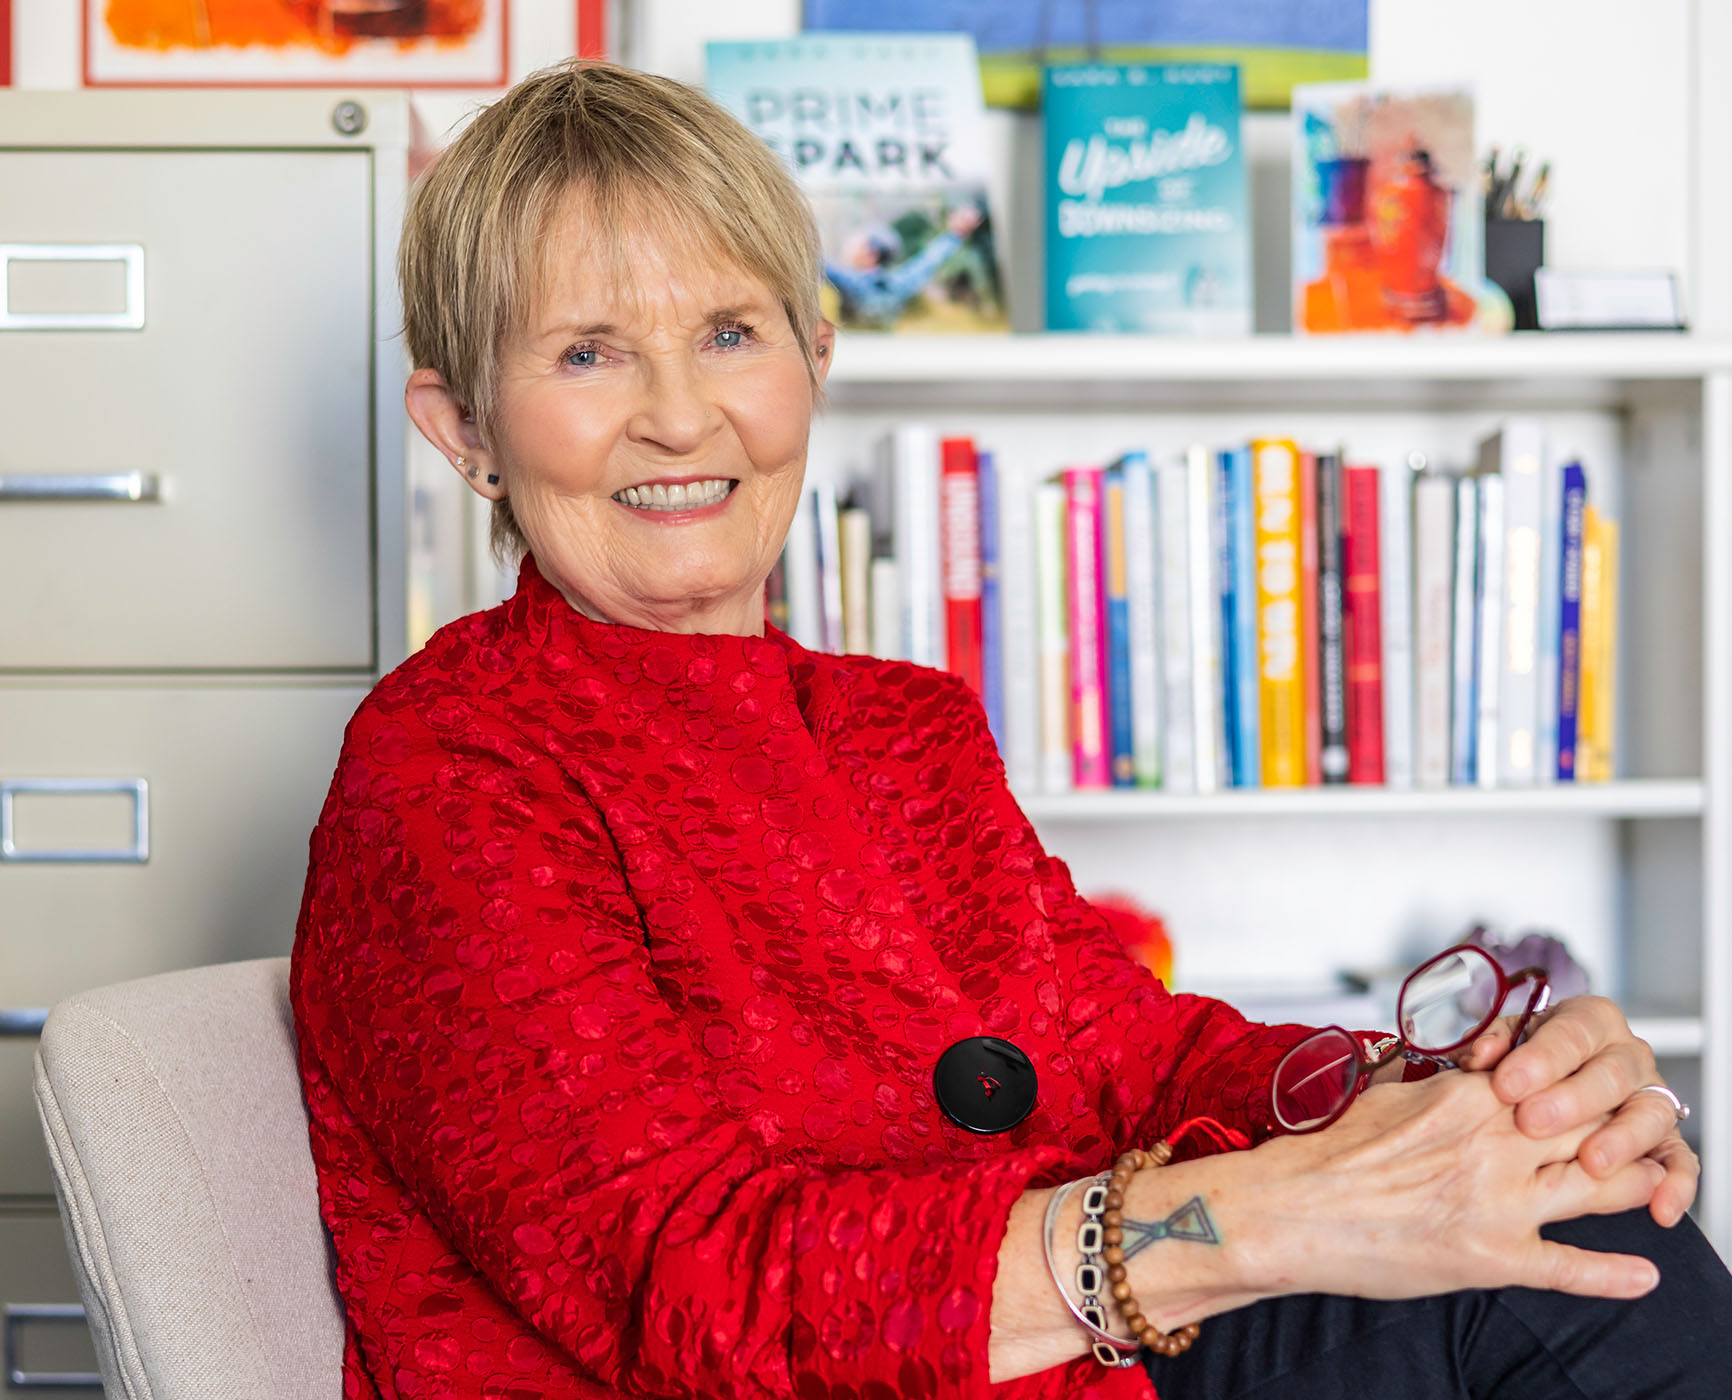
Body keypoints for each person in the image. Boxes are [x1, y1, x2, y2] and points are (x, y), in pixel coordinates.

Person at [290, 59, 1727, 1400]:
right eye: (590, 355)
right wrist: (1260, 1224)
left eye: (728, 333)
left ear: (815, 357)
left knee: (1576, 1214)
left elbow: (1139, 1064)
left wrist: (1464, 1102)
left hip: (1061, 1349)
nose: (680, 416)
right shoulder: (449, 773)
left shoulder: (900, 731)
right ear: (462, 424)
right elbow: (695, 1288)